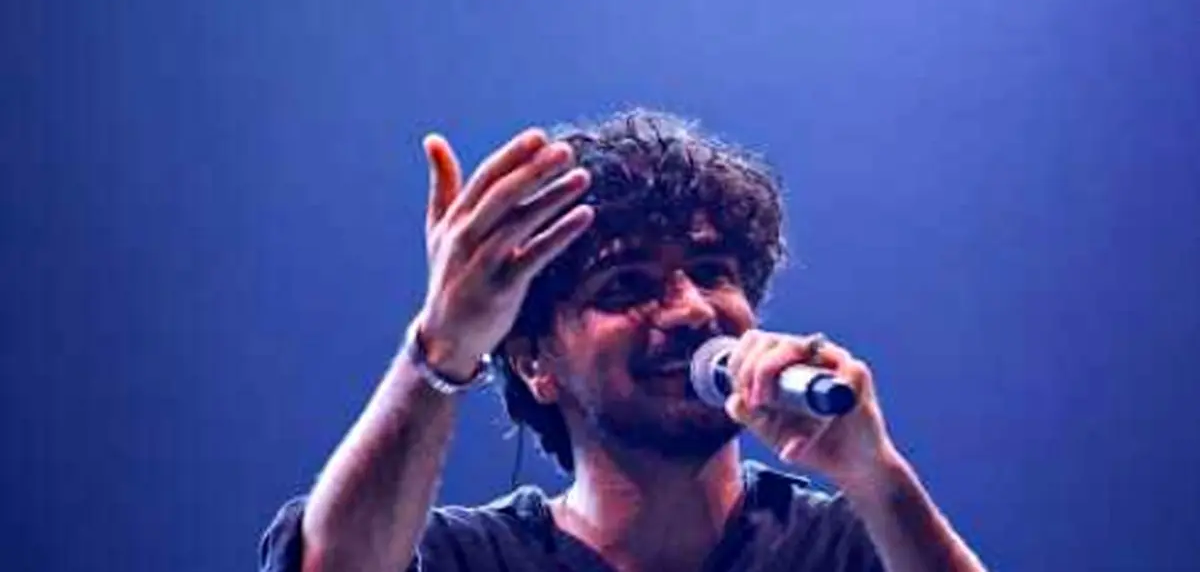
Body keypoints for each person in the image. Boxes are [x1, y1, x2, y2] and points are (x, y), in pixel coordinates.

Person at [259, 109, 988, 572]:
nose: (691, 310)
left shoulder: (852, 546)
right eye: (626, 285)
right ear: (534, 360)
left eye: (713, 272)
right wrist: (442, 345)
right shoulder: (473, 557)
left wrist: (876, 475)